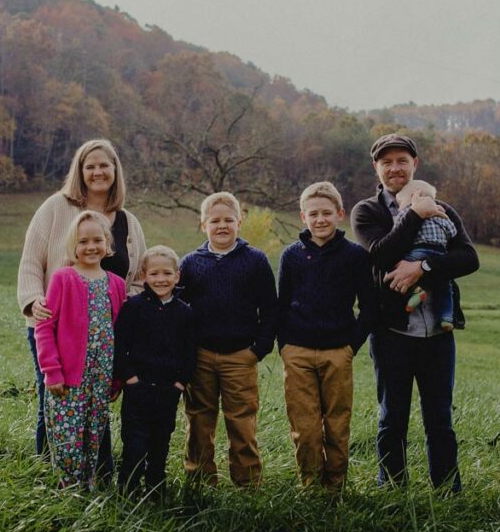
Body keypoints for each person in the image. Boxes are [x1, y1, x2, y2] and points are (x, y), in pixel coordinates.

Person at [350, 133, 479, 493]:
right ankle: (392, 488)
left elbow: (469, 258)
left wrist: (422, 269)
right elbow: (378, 253)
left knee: (440, 417)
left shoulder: (442, 207)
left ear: (414, 164)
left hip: (438, 331)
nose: (395, 168)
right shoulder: (367, 211)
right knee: (392, 416)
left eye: (402, 161)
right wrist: (413, 215)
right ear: (376, 168)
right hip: (392, 331)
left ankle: (447, 489)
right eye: (386, 162)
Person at [17, 139, 147, 480]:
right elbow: (31, 259)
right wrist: (34, 301)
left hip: (108, 334)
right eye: (90, 166)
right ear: (80, 171)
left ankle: (96, 474)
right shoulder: (56, 208)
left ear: (116, 170)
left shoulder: (128, 223)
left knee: (96, 404)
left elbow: (138, 277)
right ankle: (51, 473)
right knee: (55, 399)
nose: (98, 172)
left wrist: (129, 312)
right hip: (57, 327)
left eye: (105, 165)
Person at [276, 181, 375, 490]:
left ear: (340, 214)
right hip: (298, 352)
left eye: (327, 213)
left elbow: (370, 306)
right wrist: (285, 346)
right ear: (303, 217)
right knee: (304, 427)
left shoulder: (355, 256)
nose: (320, 220)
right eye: (313, 214)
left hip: (338, 352)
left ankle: (335, 487)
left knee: (337, 424)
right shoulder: (291, 255)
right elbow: (281, 304)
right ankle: (310, 484)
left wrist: (350, 345)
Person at [178, 192, 278, 487]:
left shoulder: (255, 261)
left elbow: (270, 309)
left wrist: (258, 350)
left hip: (240, 355)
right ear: (203, 225)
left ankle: (247, 483)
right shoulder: (191, 263)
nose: (222, 226)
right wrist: (188, 351)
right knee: (198, 421)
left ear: (239, 221)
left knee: (242, 422)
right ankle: (199, 480)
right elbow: (180, 313)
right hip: (202, 357)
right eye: (215, 221)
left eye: (228, 220)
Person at [34, 211, 127, 487]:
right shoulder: (63, 278)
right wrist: (52, 371)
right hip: (68, 380)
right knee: (67, 438)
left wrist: (116, 378)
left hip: (101, 379)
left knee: (93, 434)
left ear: (108, 244)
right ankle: (67, 491)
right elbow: (44, 328)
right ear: (73, 245)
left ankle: (88, 489)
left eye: (97, 240)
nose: (90, 247)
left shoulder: (117, 285)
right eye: (83, 241)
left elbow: (121, 335)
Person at [114, 245, 196, 497]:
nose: (161, 279)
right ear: (143, 276)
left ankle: (155, 490)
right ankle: (127, 491)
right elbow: (119, 346)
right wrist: (130, 379)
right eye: (154, 274)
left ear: (177, 276)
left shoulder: (185, 312)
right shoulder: (134, 307)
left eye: (167, 274)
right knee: (135, 444)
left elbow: (190, 353)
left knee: (160, 443)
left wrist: (180, 384)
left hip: (167, 391)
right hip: (138, 389)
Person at [394, 179, 458, 331]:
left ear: (413, 197)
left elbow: (397, 232)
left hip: (418, 250)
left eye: (400, 202)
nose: (399, 206)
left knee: (398, 270)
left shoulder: (407, 212)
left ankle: (416, 292)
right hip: (439, 252)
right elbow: (452, 232)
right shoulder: (441, 213)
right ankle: (446, 318)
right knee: (445, 287)